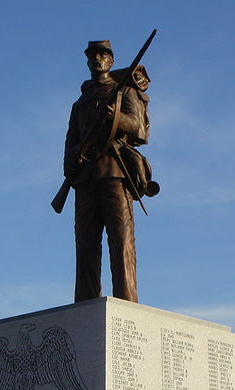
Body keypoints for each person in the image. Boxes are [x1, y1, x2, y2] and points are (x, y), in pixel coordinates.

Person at [63, 39, 152, 303]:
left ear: (111, 61)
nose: (97, 59)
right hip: (85, 178)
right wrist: (72, 160)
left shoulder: (123, 92)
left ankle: (127, 301)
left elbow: (140, 129)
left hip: (115, 172)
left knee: (121, 241)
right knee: (86, 245)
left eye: (103, 55)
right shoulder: (79, 104)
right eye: (92, 56)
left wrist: (116, 117)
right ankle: (85, 302)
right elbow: (70, 141)